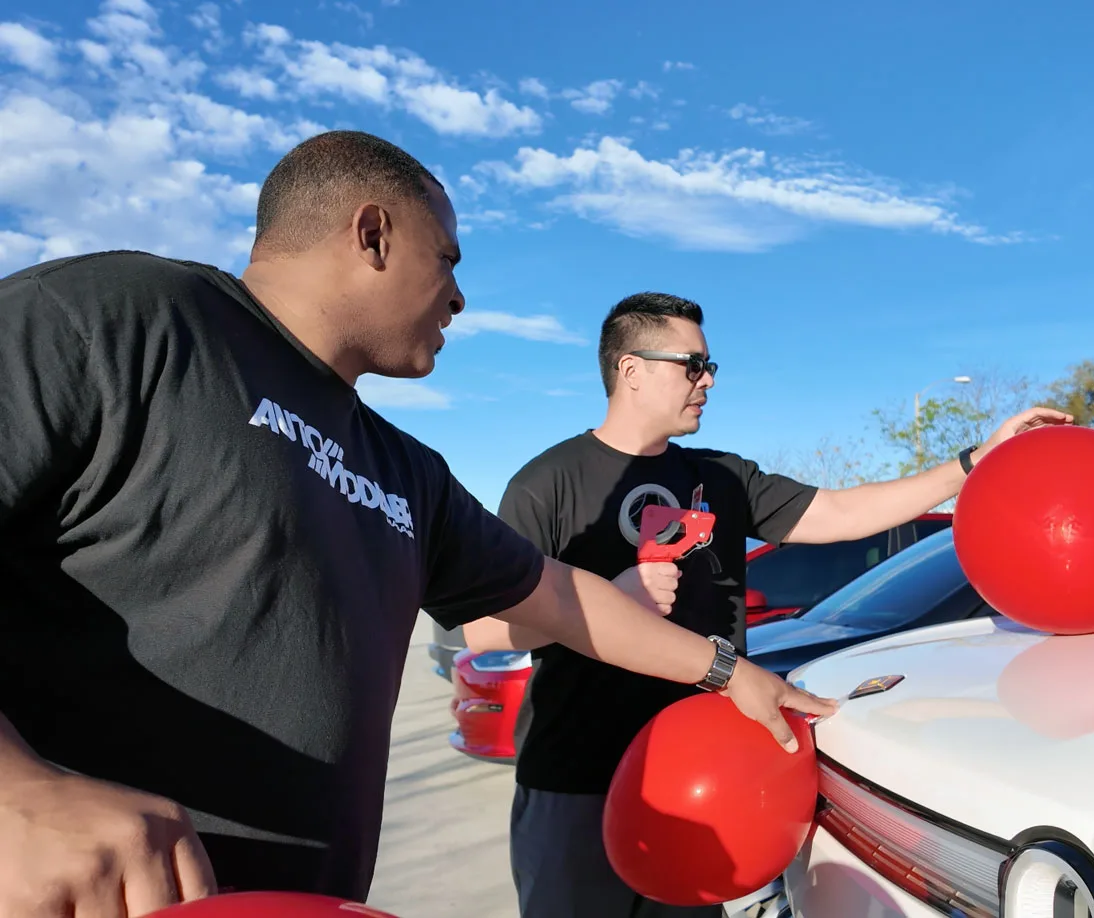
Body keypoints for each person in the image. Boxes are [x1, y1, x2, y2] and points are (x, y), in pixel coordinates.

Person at [0, 133, 838, 918]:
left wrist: (727, 672)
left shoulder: (406, 471)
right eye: (447, 258)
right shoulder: (123, 317)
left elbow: (556, 596)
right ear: (373, 234)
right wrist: (18, 794)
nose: (460, 295)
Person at [462, 292, 1073, 918]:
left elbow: (842, 512)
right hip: (577, 781)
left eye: (710, 366)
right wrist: (604, 603)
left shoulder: (723, 477)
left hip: (699, 778)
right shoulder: (548, 483)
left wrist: (972, 463)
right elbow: (483, 630)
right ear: (631, 369)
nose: (707, 380)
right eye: (691, 364)